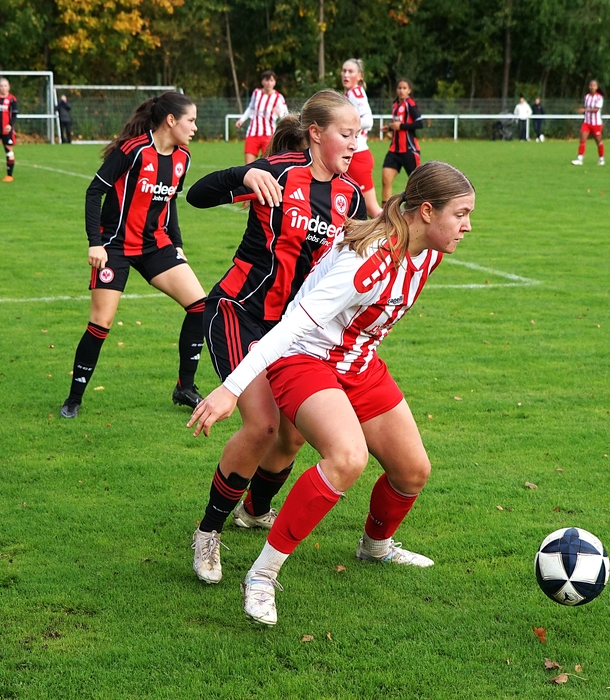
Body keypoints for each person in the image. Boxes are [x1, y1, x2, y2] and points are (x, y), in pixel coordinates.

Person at [188, 161, 475, 626]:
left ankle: (375, 548)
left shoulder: (428, 252)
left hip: (359, 363)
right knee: (347, 458)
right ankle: (262, 574)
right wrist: (230, 388)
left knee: (413, 471)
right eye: (460, 214)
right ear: (426, 211)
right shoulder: (367, 262)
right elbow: (292, 327)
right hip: (305, 358)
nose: (467, 226)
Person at [184, 90, 367, 585]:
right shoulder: (279, 173)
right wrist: (243, 175)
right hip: (238, 312)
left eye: (359, 134)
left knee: (294, 433)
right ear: (316, 134)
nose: (355, 143)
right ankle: (207, 532)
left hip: (291, 330)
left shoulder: (349, 196)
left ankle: (253, 510)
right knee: (263, 425)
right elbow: (196, 195)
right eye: (347, 134)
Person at [59, 92, 207, 419]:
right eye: (191, 120)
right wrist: (95, 243)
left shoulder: (183, 158)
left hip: (155, 245)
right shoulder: (134, 150)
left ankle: (184, 387)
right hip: (114, 246)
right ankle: (73, 398)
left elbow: (169, 202)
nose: (195, 127)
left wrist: (177, 243)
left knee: (200, 306)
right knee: (101, 322)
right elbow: (94, 191)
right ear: (171, 120)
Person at [341, 58, 383, 217]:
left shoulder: (356, 93)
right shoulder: (348, 94)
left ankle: (395, 231)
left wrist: (343, 127)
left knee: (372, 209)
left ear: (360, 76)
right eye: (344, 71)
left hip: (358, 155)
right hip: (350, 154)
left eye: (350, 71)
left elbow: (368, 121)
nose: (346, 74)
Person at [380, 78, 423, 205]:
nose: (401, 91)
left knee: (417, 183)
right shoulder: (395, 105)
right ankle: (386, 213)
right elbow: (398, 124)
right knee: (386, 180)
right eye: (399, 88)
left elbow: (420, 124)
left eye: (404, 88)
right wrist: (390, 128)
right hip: (394, 149)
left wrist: (401, 126)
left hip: (409, 149)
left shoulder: (410, 104)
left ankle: (422, 208)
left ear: (409, 90)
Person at [236, 71, 288, 164]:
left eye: (271, 80)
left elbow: (286, 116)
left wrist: (279, 113)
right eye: (266, 80)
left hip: (269, 135)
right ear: (262, 82)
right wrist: (242, 120)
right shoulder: (256, 93)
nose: (269, 83)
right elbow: (251, 108)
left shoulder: (278, 97)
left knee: (267, 165)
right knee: (248, 166)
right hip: (253, 133)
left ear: (274, 82)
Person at [572, 80, 604, 166]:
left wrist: (585, 110)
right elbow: (587, 109)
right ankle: (579, 159)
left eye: (594, 85)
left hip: (596, 124)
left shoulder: (599, 97)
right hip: (587, 122)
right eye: (590, 85)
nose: (592, 87)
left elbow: (596, 110)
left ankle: (601, 159)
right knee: (582, 139)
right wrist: (583, 111)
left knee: (598, 142)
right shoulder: (587, 97)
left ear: (597, 87)